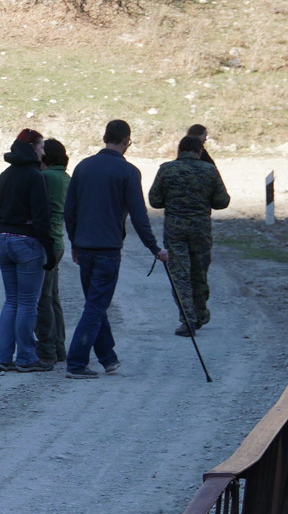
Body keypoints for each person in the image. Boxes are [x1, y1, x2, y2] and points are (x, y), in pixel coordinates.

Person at [63, 119, 169, 379]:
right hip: (108, 249)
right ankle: (76, 363)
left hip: (85, 247)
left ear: (105, 137)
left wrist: (74, 242)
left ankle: (108, 358)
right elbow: (138, 215)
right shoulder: (128, 172)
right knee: (96, 307)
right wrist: (154, 248)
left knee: (94, 303)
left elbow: (70, 210)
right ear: (126, 141)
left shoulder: (83, 167)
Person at [149, 133, 231, 336]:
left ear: (179, 150)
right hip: (200, 229)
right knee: (199, 273)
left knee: (180, 275)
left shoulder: (167, 170)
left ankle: (188, 319)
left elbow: (154, 200)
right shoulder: (209, 171)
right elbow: (222, 201)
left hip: (175, 229)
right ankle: (200, 312)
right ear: (200, 151)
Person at [0, 130, 55, 373]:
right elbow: (42, 217)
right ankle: (26, 358)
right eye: (41, 147)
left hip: (5, 239)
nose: (43, 152)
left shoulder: (5, 175)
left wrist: (2, 234)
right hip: (27, 243)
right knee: (28, 304)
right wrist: (49, 249)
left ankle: (3, 357)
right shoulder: (35, 177)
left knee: (11, 302)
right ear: (32, 148)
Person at [34, 139, 72, 367]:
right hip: (58, 242)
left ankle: (46, 350)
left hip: (46, 242)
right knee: (52, 297)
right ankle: (59, 347)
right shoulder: (66, 178)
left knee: (42, 300)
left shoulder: (45, 178)